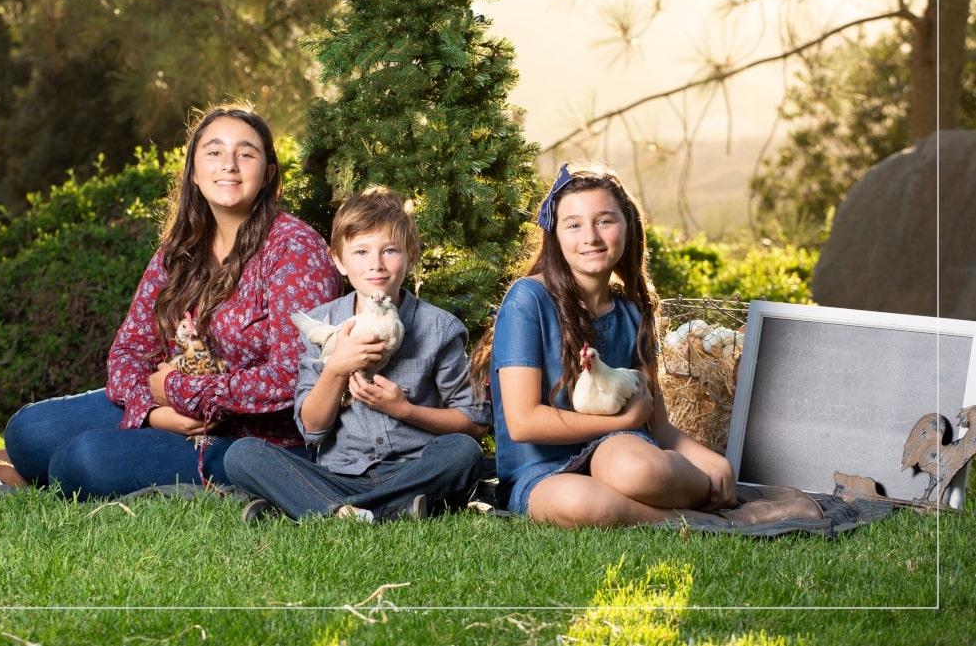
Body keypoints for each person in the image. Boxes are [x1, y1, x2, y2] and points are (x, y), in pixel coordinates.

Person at [0, 103, 343, 500]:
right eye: (213, 152)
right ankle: (49, 461)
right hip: (169, 407)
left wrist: (180, 391)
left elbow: (292, 380)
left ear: (267, 176)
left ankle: (63, 468)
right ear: (194, 173)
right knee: (28, 431)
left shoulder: (296, 250)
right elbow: (128, 351)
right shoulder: (180, 249)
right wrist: (153, 411)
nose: (228, 164)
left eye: (245, 153)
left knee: (79, 463)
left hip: (252, 440)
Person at [470, 161, 739, 528]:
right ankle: (698, 520)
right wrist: (627, 419)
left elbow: (657, 425)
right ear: (556, 236)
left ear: (628, 226)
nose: (591, 237)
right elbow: (523, 423)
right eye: (574, 224)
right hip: (542, 471)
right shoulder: (526, 300)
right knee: (583, 503)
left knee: (638, 470)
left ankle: (690, 495)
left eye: (604, 221)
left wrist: (711, 461)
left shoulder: (633, 311)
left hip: (619, 453)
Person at [224, 186, 489, 523]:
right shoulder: (323, 323)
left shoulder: (439, 328)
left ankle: (326, 508)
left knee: (463, 454)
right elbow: (313, 428)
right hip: (339, 473)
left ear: (412, 255)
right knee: (243, 455)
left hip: (411, 469)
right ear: (339, 261)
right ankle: (392, 510)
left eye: (390, 250)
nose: (376, 264)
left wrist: (404, 410)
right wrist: (336, 369)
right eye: (361, 252)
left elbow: (474, 424)